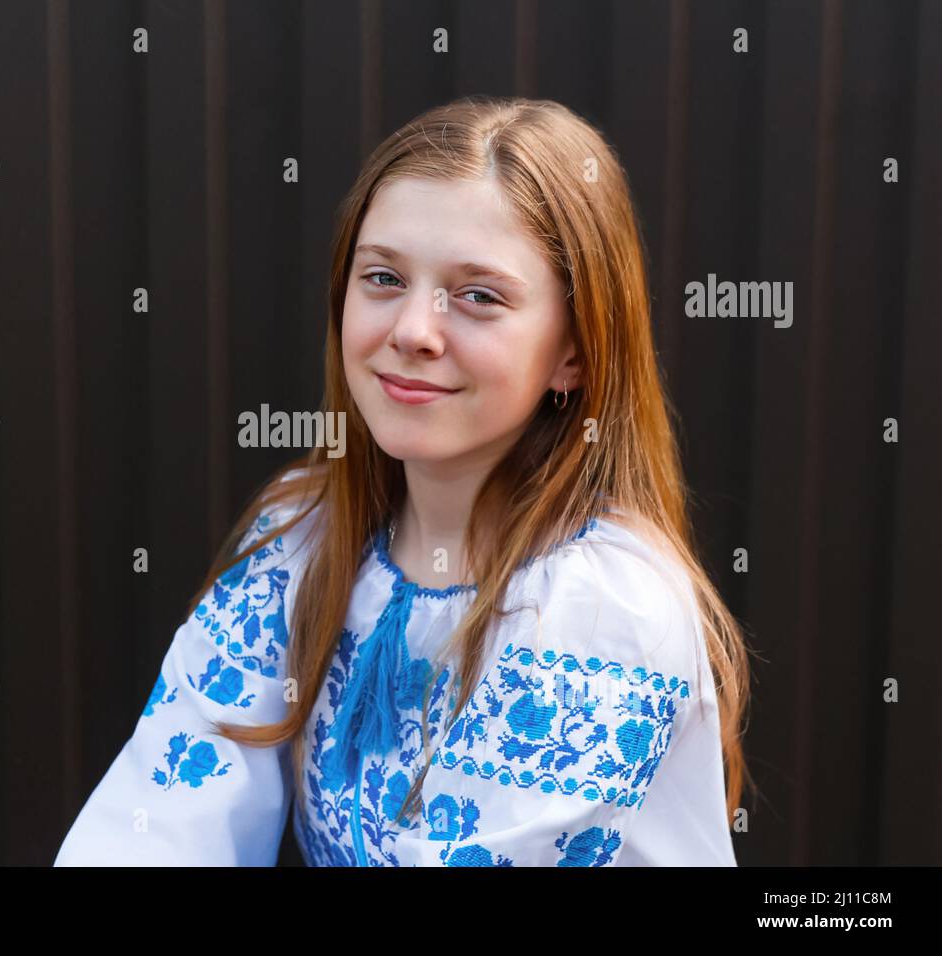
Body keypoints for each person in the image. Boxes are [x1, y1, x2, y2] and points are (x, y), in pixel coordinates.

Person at [54, 95, 753, 867]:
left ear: (575, 352)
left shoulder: (602, 608)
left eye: (479, 296)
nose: (413, 331)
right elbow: (158, 821)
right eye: (384, 277)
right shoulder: (306, 540)